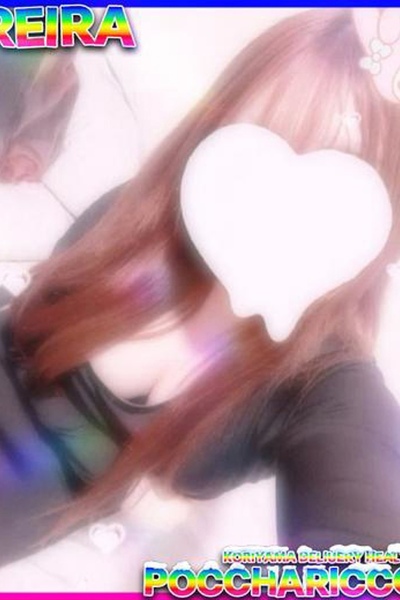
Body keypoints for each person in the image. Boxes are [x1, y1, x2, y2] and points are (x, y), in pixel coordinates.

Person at [1, 7, 400, 570]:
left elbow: (369, 560)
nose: (271, 210)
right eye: (255, 150)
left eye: (327, 193)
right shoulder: (133, 215)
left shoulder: (320, 384)